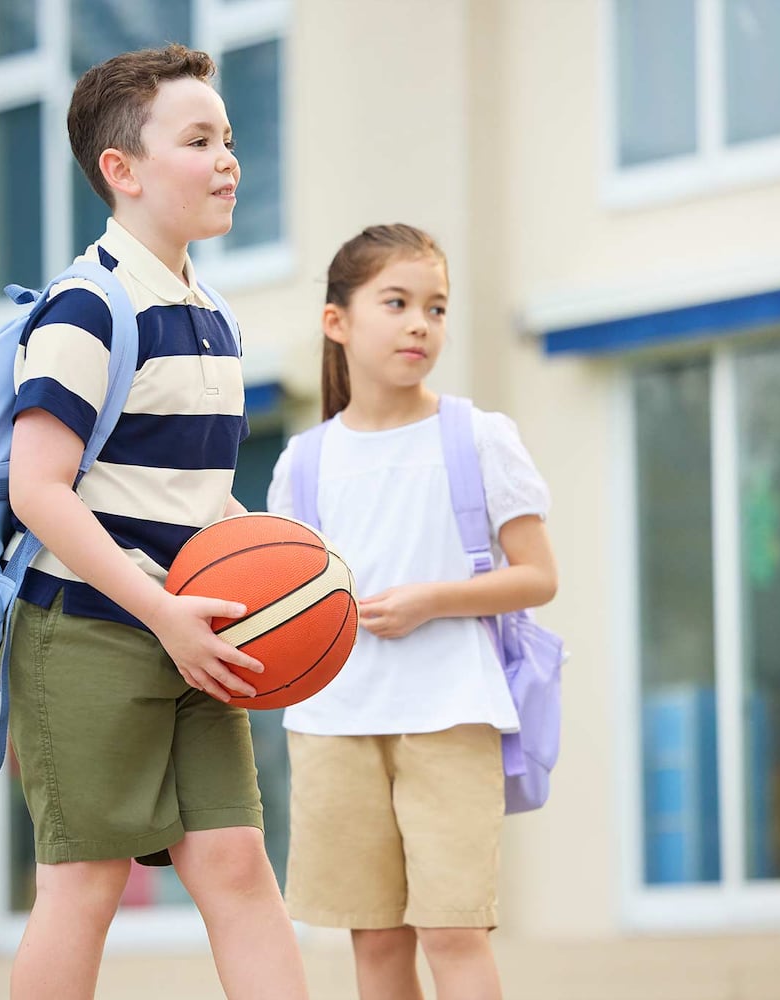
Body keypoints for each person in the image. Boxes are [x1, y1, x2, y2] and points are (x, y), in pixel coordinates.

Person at [5, 43, 308, 1000]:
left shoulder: (213, 314)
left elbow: (200, 494)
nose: (230, 160)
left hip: (198, 632)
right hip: (89, 633)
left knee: (237, 866)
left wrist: (288, 570)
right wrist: (159, 612)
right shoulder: (87, 305)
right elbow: (37, 489)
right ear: (122, 171)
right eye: (199, 139)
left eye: (229, 139)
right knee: (86, 882)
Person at [268, 224, 559, 1000]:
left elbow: (538, 578)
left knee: (454, 931)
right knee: (377, 944)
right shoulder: (304, 462)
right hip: (334, 723)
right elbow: (291, 603)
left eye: (434, 307)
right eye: (395, 303)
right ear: (338, 323)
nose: (419, 325)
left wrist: (434, 601)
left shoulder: (478, 437)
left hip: (451, 715)